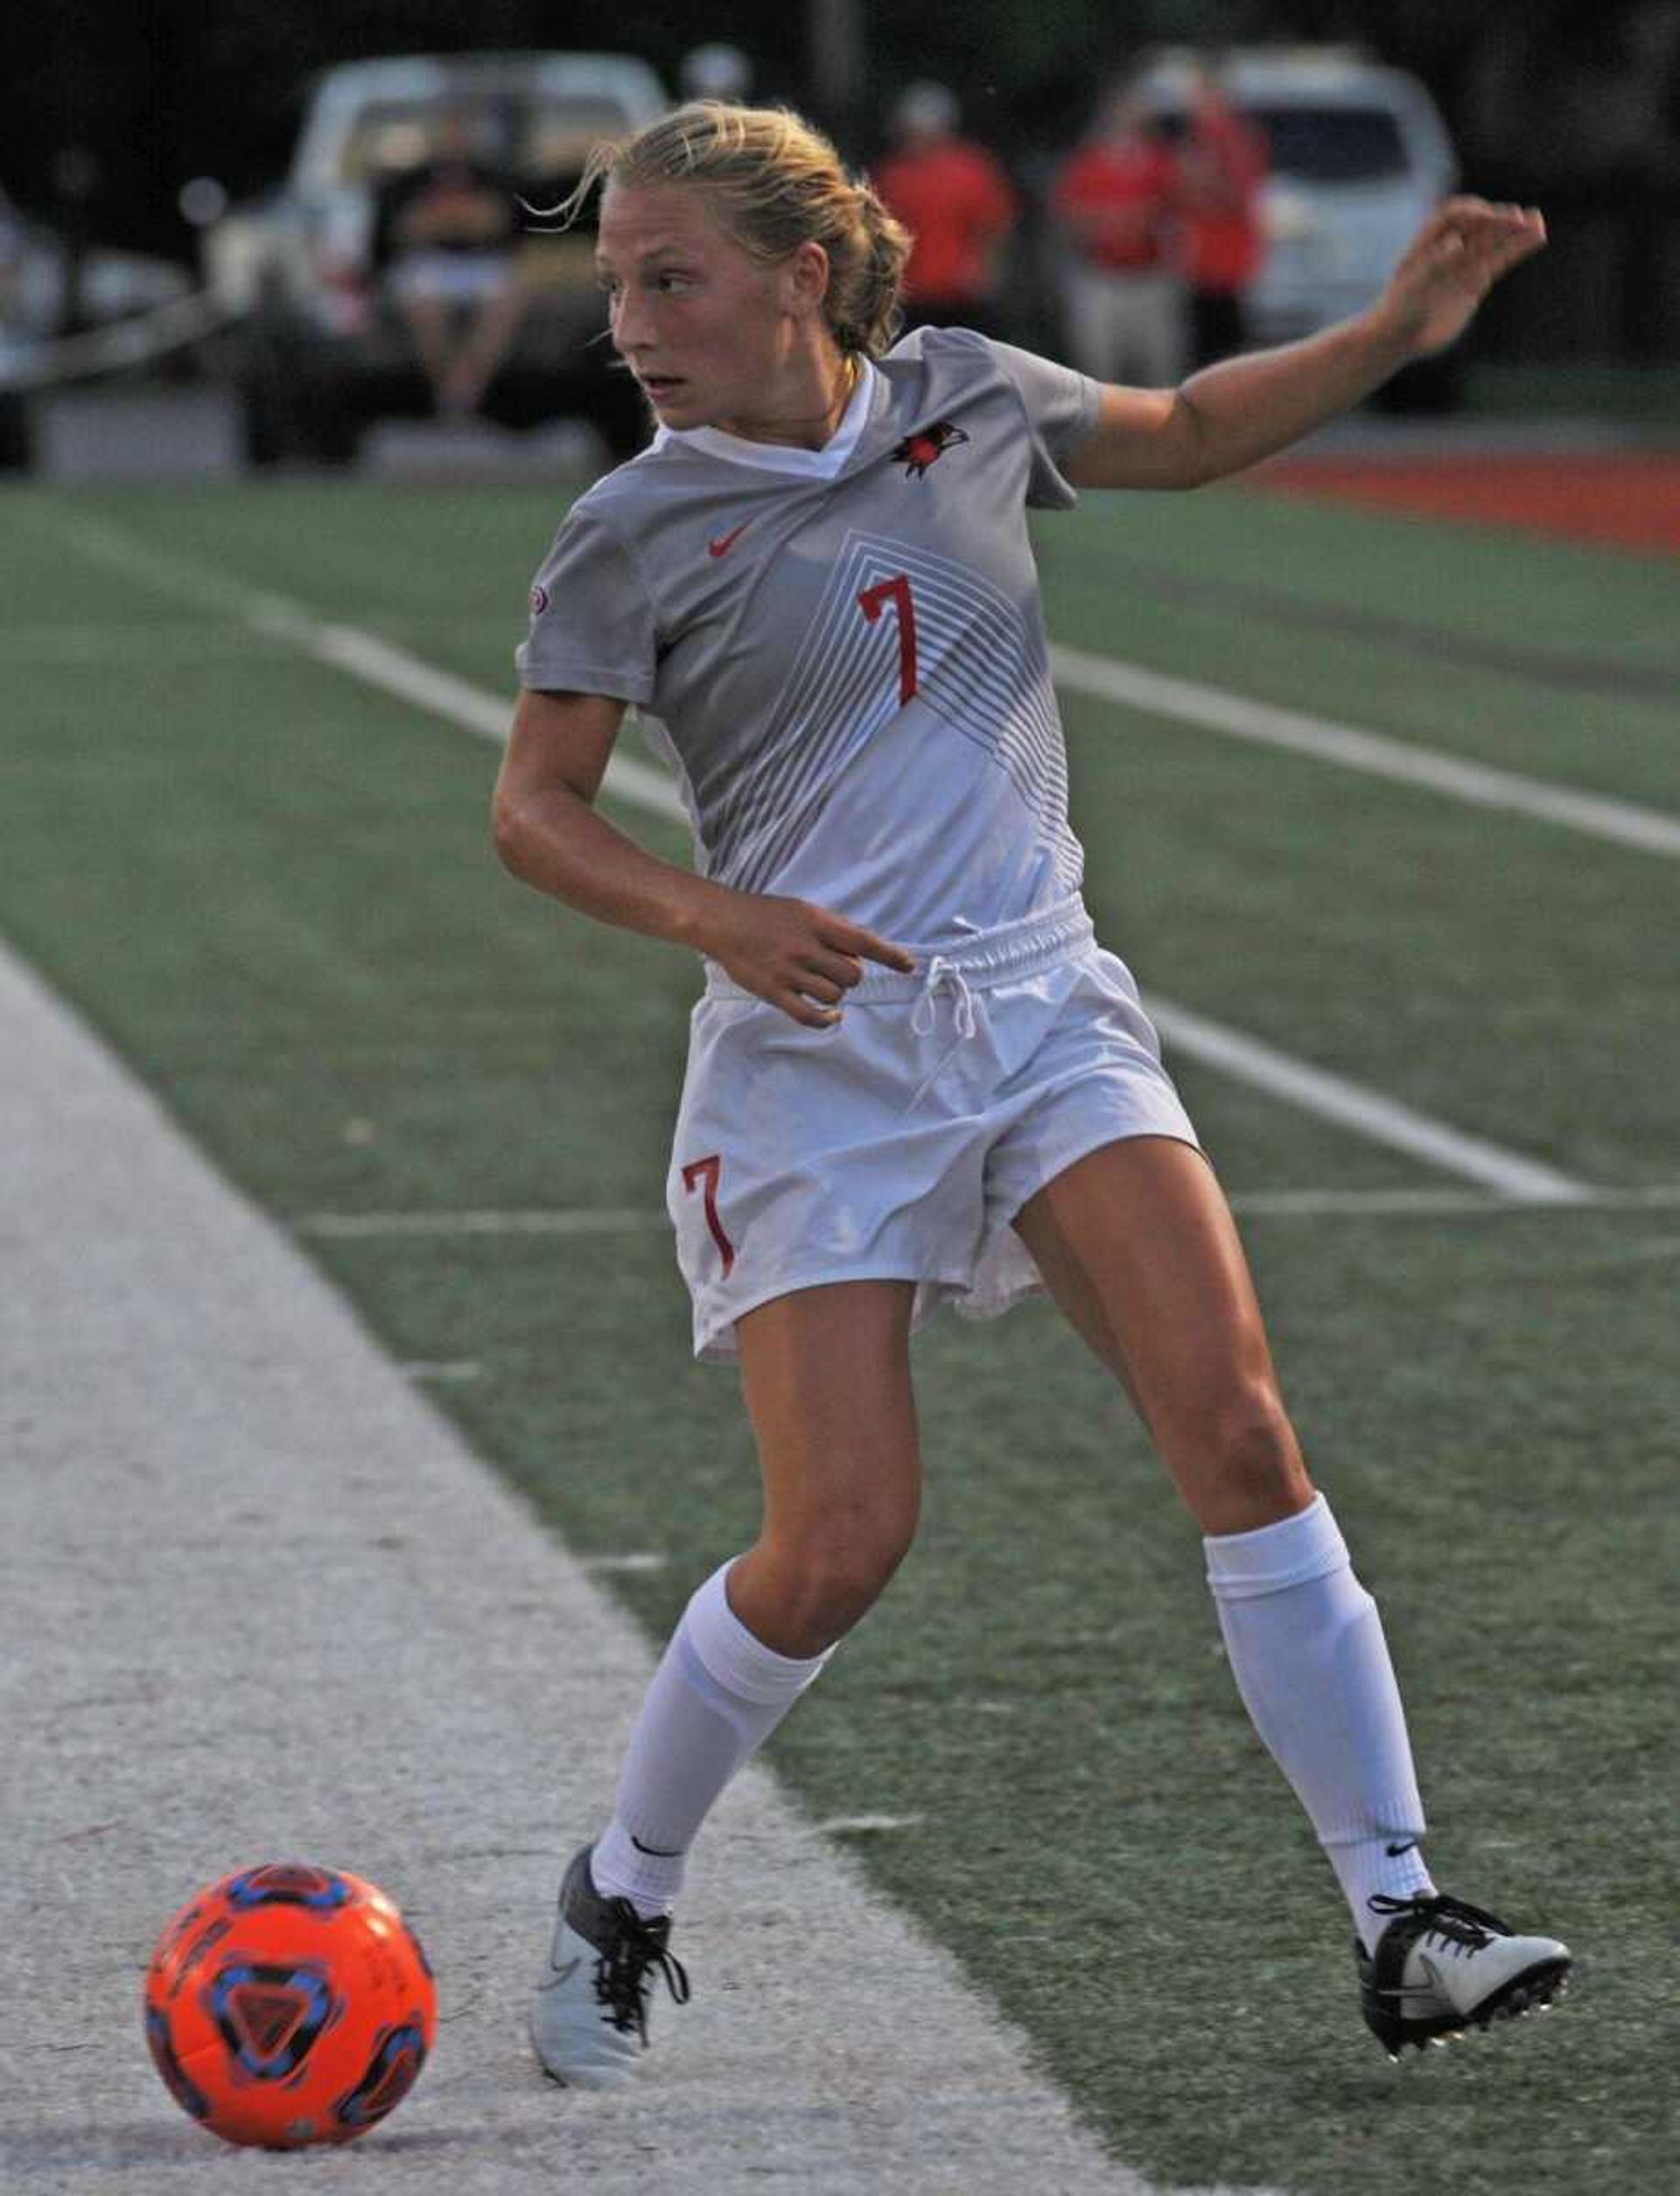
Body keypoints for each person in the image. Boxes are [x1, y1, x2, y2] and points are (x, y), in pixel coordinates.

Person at [493, 99, 1565, 2088]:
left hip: (1040, 1001)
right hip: (816, 1066)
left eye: (671, 275)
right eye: (619, 281)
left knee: (1239, 1427)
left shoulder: (966, 397)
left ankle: (1400, 1905)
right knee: (838, 1541)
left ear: (802, 273)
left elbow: (1196, 428)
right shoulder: (630, 526)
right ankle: (626, 1881)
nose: (628, 319)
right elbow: (533, 811)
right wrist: (715, 915)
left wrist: (1401, 326)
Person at [378, 108, 527, 417]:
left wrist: (445, 222)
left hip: (479, 263)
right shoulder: (412, 178)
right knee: (420, 300)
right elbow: (407, 230)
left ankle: (465, 382)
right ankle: (454, 384)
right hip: (430, 263)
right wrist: (460, 222)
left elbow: (496, 225)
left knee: (509, 294)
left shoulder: (491, 175)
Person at [1051, 89, 1184, 386]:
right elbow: (1070, 215)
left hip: (1149, 276)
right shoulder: (1088, 164)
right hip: (1102, 276)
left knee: (1159, 366)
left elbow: (1176, 213)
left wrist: (1140, 221)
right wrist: (1106, 222)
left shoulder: (1161, 163)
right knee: (1099, 366)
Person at [872, 83, 1018, 337]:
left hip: (962, 293)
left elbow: (996, 225)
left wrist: (984, 270)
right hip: (914, 294)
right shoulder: (893, 175)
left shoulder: (972, 169)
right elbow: (880, 234)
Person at [1175, 59, 1270, 368]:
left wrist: (1200, 182)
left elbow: (1235, 195)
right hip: (1202, 262)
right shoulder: (1196, 138)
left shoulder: (1232, 140)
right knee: (1204, 345)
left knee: (1224, 347)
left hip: (1227, 263)